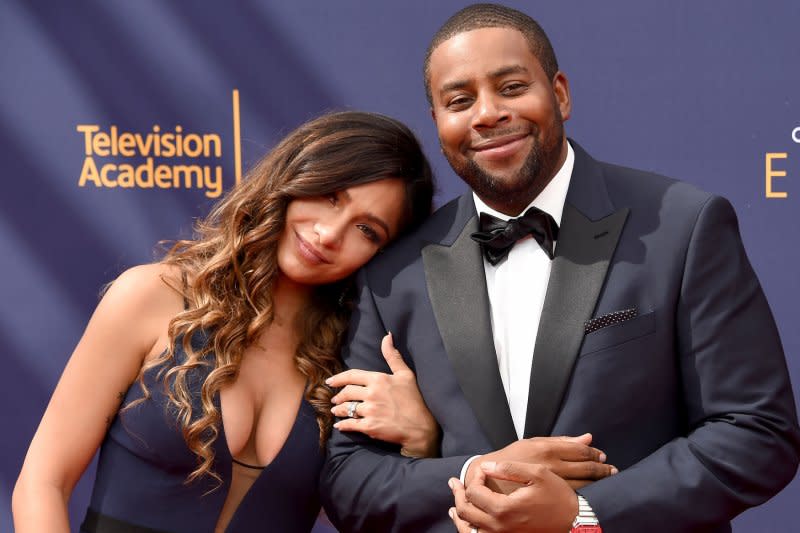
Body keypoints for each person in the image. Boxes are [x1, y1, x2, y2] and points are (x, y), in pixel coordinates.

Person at [320, 4, 800, 533]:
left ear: (561, 94)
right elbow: (350, 482)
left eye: (510, 87)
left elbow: (757, 432)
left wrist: (584, 515)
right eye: (460, 101)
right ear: (438, 124)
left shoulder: (682, 226)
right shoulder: (394, 274)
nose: (487, 114)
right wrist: (477, 474)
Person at [12, 111, 443, 533]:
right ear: (294, 178)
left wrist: (421, 444)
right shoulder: (152, 297)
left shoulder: (353, 357)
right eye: (331, 196)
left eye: (367, 230)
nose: (329, 234)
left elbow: (370, 515)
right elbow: (43, 483)